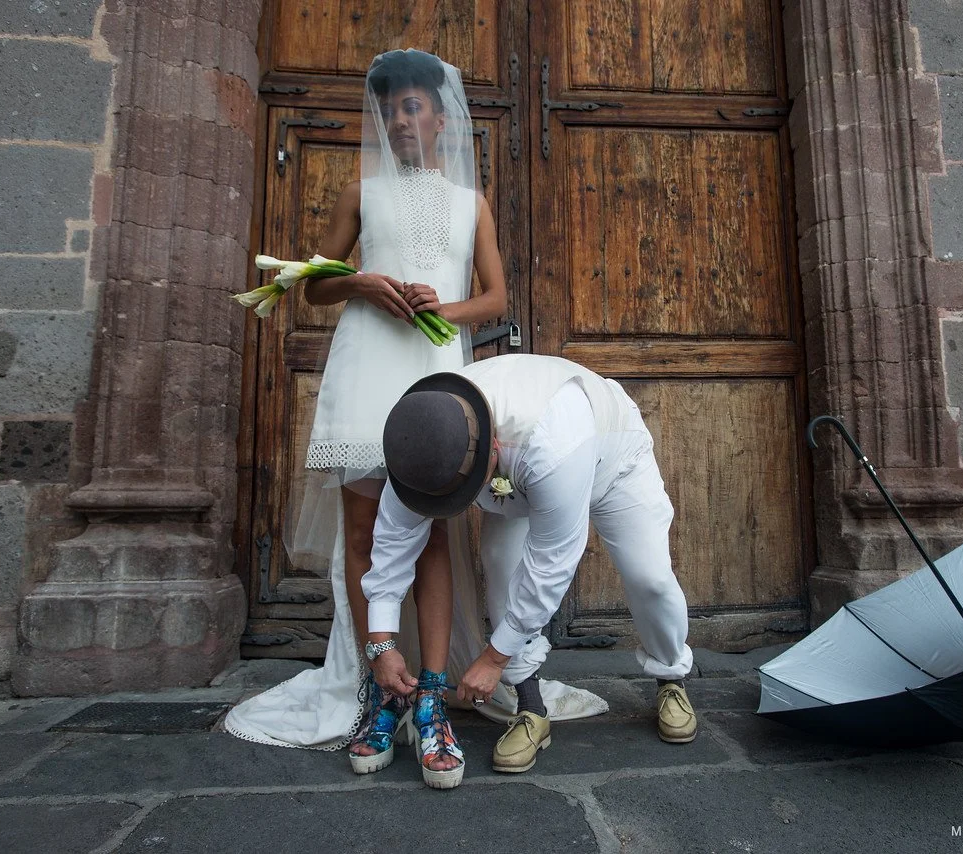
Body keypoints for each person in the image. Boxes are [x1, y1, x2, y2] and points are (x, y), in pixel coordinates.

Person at [224, 49, 504, 789]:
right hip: (363, 370)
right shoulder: (360, 195)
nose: (404, 119)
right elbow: (313, 290)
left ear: (442, 119)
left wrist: (442, 308)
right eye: (392, 110)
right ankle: (380, 682)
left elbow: (495, 298)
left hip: (433, 377)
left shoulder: (469, 203)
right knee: (361, 531)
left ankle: (433, 693)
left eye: (417, 107)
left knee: (433, 530)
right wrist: (363, 285)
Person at [362, 354, 698, 773]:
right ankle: (531, 707)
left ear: (493, 450)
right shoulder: (421, 437)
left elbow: (551, 563)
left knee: (650, 579)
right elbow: (392, 545)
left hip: (612, 459)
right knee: (500, 560)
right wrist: (381, 643)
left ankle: (670, 676)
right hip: (520, 474)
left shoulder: (552, 442)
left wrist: (492, 659)